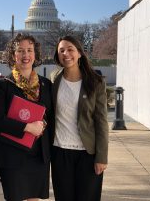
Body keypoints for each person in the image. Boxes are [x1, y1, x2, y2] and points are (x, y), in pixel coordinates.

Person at [0, 33, 54, 201]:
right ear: (13, 55)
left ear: (35, 54)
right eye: (20, 51)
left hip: (38, 154)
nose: (26, 55)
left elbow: (51, 115)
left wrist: (43, 125)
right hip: (12, 154)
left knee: (34, 198)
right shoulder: (2, 85)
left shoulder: (46, 84)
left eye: (29, 50)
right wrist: (27, 127)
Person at [51, 35, 109, 201]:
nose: (66, 53)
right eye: (61, 50)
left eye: (70, 49)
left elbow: (101, 122)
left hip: (87, 153)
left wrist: (102, 157)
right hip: (60, 152)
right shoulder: (54, 78)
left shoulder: (95, 82)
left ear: (80, 53)